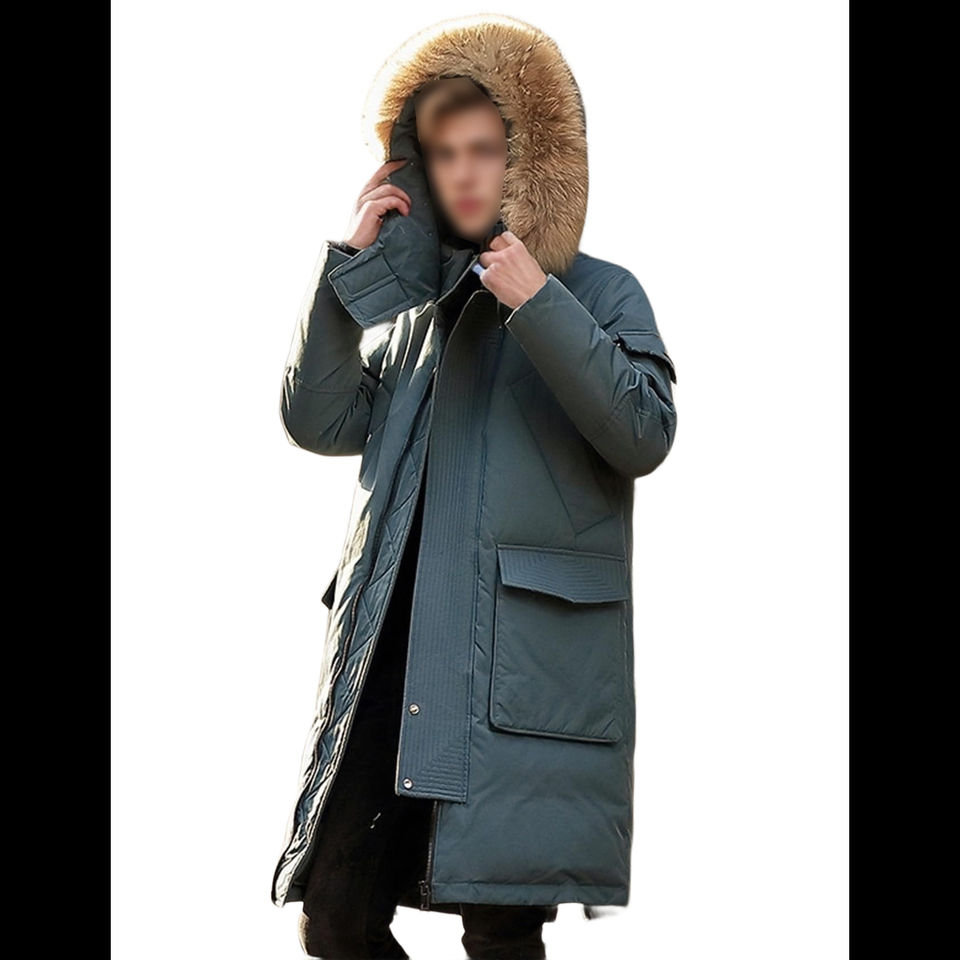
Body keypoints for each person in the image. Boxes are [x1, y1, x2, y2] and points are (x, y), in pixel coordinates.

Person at [272, 14, 678, 960]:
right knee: (335, 919)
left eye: (485, 150)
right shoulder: (414, 318)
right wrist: (347, 281)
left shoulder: (603, 292)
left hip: (514, 673)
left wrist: (539, 301)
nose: (462, 173)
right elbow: (318, 421)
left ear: (528, 160)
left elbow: (645, 433)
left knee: (499, 932)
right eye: (443, 153)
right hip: (395, 663)